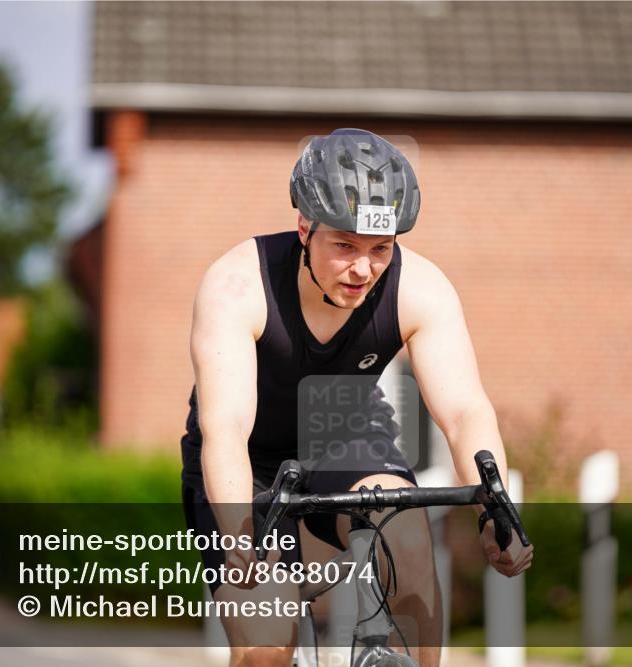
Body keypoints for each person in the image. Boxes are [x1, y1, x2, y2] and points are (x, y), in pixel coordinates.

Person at [180, 128, 533, 667]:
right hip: (245, 459)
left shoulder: (421, 288)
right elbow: (226, 428)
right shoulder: (237, 284)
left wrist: (496, 515)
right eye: (344, 245)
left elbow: (465, 414)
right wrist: (238, 536)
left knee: (408, 542)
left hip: (341, 431)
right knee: (266, 647)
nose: (363, 268)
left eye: (380, 249)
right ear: (304, 227)